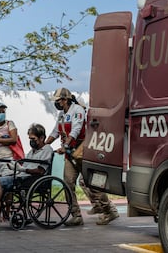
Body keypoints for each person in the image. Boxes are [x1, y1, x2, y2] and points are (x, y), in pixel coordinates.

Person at [45, 87, 119, 226]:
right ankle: (76, 215)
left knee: (90, 182)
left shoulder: (77, 110)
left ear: (65, 100)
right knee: (68, 182)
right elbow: (55, 131)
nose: (56, 103)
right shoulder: (62, 115)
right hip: (69, 153)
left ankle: (109, 210)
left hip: (81, 151)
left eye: (58, 100)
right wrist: (45, 144)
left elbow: (77, 129)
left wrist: (65, 145)